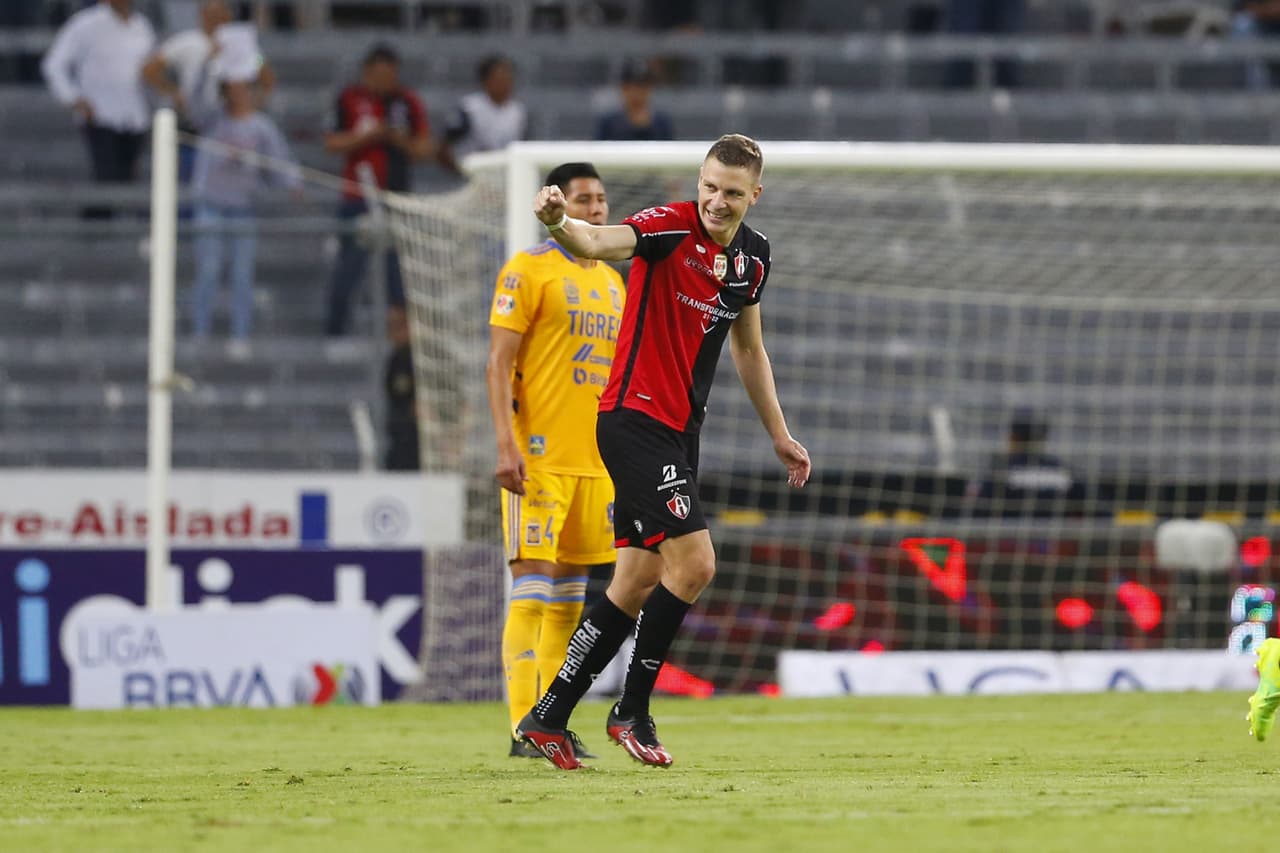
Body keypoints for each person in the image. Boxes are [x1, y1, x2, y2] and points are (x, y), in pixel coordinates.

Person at [515, 134, 811, 770]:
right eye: (709, 187)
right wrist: (559, 222)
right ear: (698, 182)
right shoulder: (668, 227)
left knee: (636, 580)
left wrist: (779, 434)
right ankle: (632, 710)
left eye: (732, 193)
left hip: (679, 432)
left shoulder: (753, 258)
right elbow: (596, 242)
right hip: (633, 419)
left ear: (755, 195)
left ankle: (548, 716)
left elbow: (749, 349)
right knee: (696, 564)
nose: (716, 201)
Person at [486, 162, 626, 759]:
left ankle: (550, 723)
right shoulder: (528, 269)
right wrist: (506, 444)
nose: (596, 209)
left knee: (569, 600)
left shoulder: (613, 283)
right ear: (559, 205)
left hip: (595, 463)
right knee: (532, 591)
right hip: (538, 458)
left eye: (601, 199)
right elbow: (499, 363)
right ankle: (523, 727)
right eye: (584, 199)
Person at [324, 44, 432, 336]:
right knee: (349, 268)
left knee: (398, 276)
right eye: (380, 75)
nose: (386, 81)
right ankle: (335, 332)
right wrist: (367, 136)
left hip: (397, 200)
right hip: (357, 198)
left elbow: (424, 149)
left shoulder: (407, 102)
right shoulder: (349, 98)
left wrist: (396, 139)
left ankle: (400, 342)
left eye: (391, 75)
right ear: (367, 72)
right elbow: (331, 142)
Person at [189, 75, 300, 345]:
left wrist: (292, 183)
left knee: (242, 274)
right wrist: (211, 64)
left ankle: (240, 335)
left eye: (243, 89)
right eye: (232, 89)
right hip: (211, 205)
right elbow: (193, 104)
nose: (238, 94)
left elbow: (279, 157)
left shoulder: (261, 126)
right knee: (208, 270)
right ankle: (200, 331)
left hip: (243, 208)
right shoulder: (213, 120)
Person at [41, 0, 155, 217]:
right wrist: (73, 98)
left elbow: (148, 69)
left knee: (126, 183)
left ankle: (117, 233)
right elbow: (54, 64)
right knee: (105, 180)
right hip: (100, 116)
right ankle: (94, 231)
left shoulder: (141, 25)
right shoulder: (86, 24)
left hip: (134, 118)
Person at [142, 0, 275, 180]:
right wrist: (174, 92)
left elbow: (264, 72)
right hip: (194, 123)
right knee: (188, 180)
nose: (216, 20)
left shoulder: (240, 43)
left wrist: (254, 99)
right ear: (202, 16)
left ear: (228, 17)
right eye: (212, 15)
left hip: (228, 127)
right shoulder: (187, 42)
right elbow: (149, 70)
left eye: (220, 16)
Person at [437, 55, 526, 175]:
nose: (505, 84)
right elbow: (443, 147)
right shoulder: (469, 109)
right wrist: (460, 171)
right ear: (485, 81)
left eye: (508, 79)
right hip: (473, 172)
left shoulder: (517, 111)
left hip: (504, 174)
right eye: (499, 79)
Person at [595, 59, 675, 142]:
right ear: (623, 88)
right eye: (632, 86)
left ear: (650, 88)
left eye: (643, 86)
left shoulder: (662, 123)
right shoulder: (608, 123)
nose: (637, 92)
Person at [383, 305, 419, 471]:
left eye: (398, 326)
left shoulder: (416, 359)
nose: (392, 333)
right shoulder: (396, 361)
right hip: (402, 440)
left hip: (418, 442)